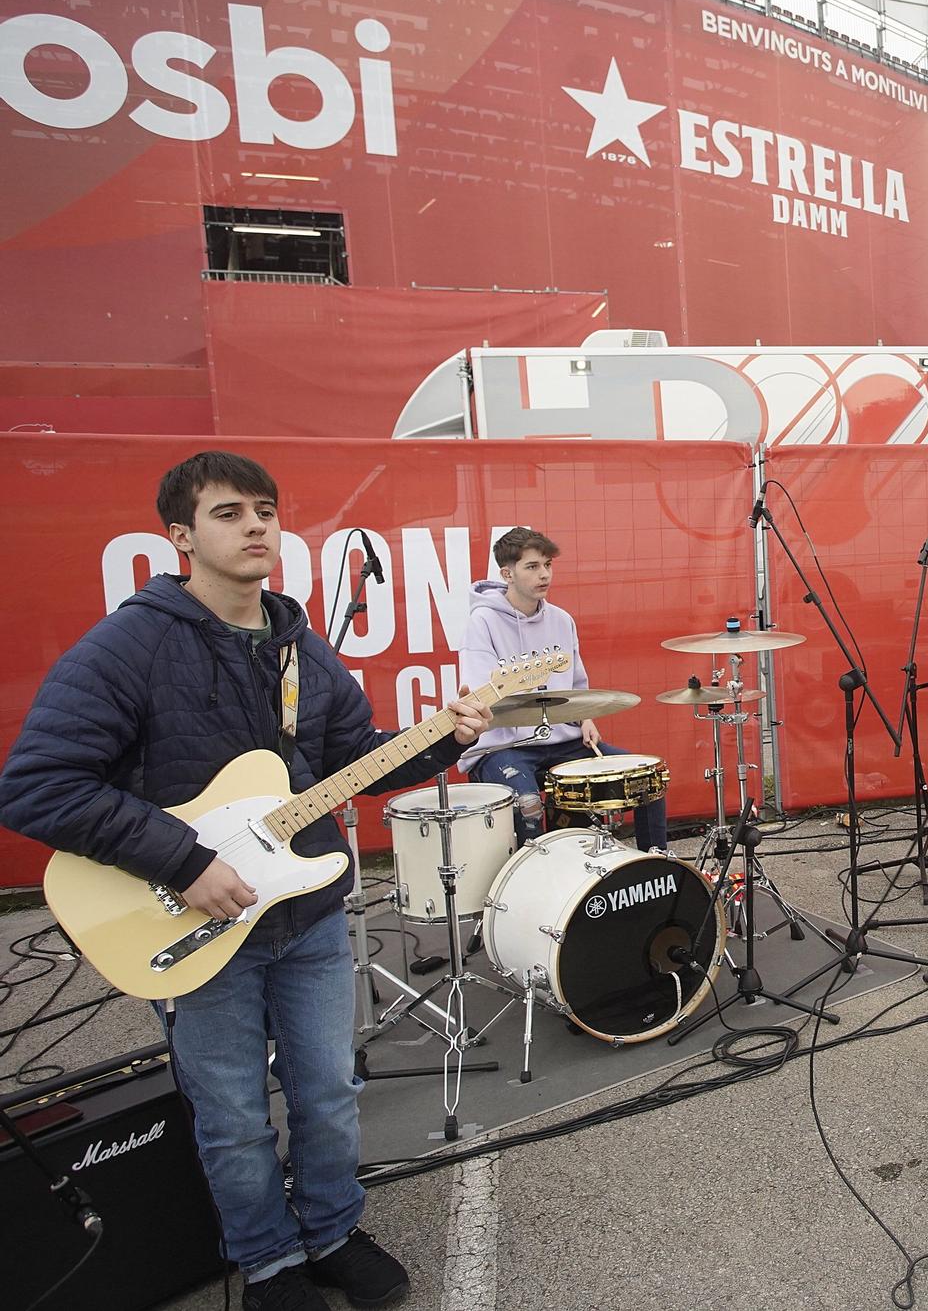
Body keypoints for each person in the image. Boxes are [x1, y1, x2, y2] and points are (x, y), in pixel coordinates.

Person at [0, 451, 493, 1311]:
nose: (257, 525)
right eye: (230, 513)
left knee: (329, 1095)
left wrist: (444, 739)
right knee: (231, 1118)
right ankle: (269, 1263)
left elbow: (350, 758)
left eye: (265, 509)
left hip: (302, 915)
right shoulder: (130, 645)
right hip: (194, 928)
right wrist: (184, 864)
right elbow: (38, 786)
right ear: (181, 535)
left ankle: (333, 1229)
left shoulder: (298, 641)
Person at [458, 527, 667, 851]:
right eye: (532, 567)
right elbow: (480, 696)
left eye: (547, 565)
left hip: (563, 741)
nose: (544, 575)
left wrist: (585, 719)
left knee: (647, 779)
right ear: (506, 573)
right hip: (504, 747)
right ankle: (532, 888)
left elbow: (578, 687)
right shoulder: (482, 622)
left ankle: (656, 868)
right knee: (527, 803)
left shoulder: (561, 620)